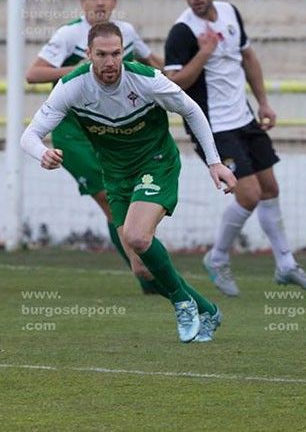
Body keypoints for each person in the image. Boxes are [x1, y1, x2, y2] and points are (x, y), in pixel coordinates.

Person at [21, 22, 236, 343]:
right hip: (116, 175)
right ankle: (206, 309)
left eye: (116, 53)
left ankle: (182, 303)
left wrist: (214, 162)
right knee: (142, 269)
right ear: (89, 56)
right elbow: (29, 136)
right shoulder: (72, 86)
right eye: (102, 54)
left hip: (156, 163)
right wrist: (43, 153)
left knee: (137, 236)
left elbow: (191, 110)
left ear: (124, 52)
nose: (110, 62)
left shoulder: (146, 79)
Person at [164, 0, 306, 297]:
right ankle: (217, 257)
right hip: (212, 128)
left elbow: (248, 57)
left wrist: (263, 102)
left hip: (244, 118)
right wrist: (204, 53)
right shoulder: (181, 32)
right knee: (248, 194)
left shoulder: (229, 13)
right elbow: (174, 84)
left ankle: (285, 264)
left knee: (270, 188)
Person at [26, 0, 165, 295]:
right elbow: (34, 73)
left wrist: (175, 75)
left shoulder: (124, 34)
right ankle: (143, 271)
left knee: (124, 198)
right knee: (108, 198)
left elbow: (149, 60)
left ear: (114, 2)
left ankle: (144, 269)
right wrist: (82, 70)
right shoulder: (68, 34)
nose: (99, 2)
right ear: (83, 2)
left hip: (108, 130)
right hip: (72, 133)